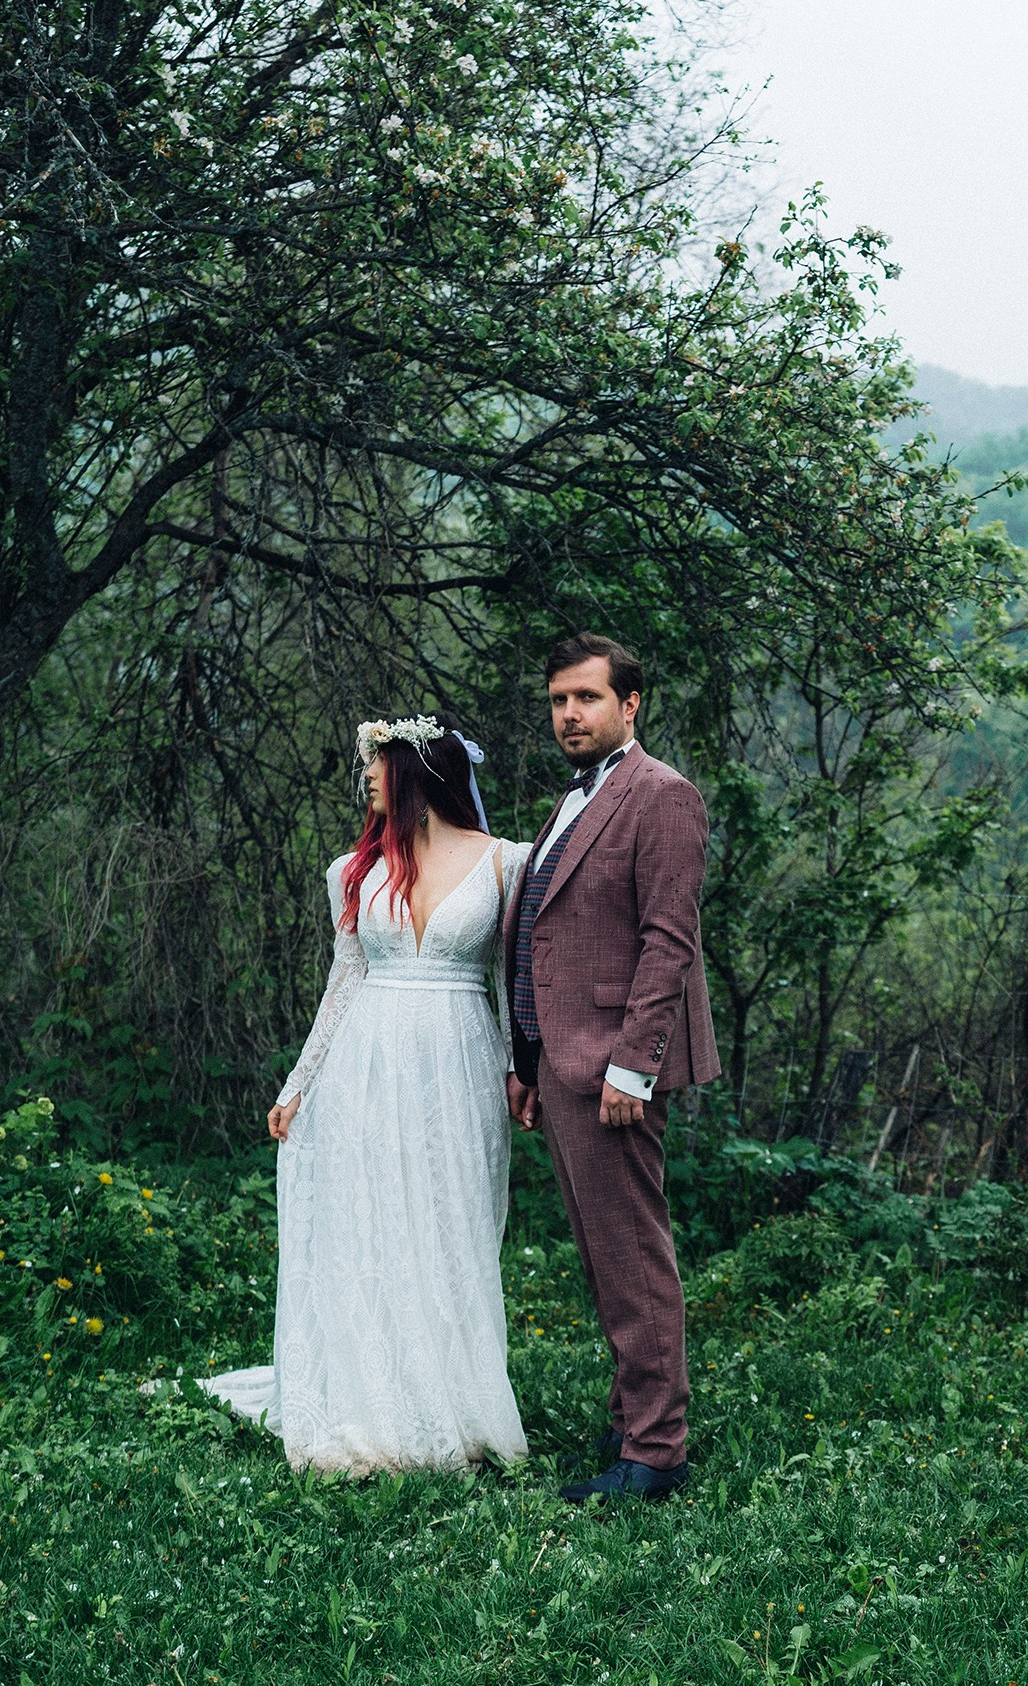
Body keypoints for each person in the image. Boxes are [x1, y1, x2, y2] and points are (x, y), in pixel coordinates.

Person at [199, 714, 532, 1473]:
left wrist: (523, 1070)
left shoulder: (505, 862)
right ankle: (372, 1398)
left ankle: (456, 1395)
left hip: (458, 1060)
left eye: (379, 766)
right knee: (376, 1222)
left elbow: (511, 980)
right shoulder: (353, 869)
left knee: (450, 1224)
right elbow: (343, 982)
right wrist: (299, 1084)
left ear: (418, 773)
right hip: (367, 1063)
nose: (368, 778)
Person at [505, 632, 721, 1503]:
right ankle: (635, 1414)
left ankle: (657, 1452)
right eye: (559, 700)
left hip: (613, 1074)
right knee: (603, 1258)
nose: (569, 715)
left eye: (587, 698)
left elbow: (668, 941)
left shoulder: (662, 796)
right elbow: (543, 936)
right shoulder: (574, 797)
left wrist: (633, 1068)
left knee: (632, 1256)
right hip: (560, 1066)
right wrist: (526, 1061)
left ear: (630, 705)